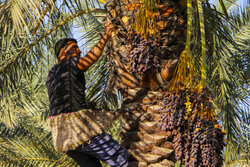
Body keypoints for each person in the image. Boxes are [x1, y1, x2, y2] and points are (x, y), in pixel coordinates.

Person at [46, 22, 128, 167]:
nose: (79, 51)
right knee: (120, 157)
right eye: (74, 48)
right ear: (63, 53)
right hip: (79, 131)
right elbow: (90, 59)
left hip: (64, 139)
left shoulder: (52, 74)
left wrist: (87, 106)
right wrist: (106, 36)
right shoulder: (68, 65)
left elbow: (64, 100)